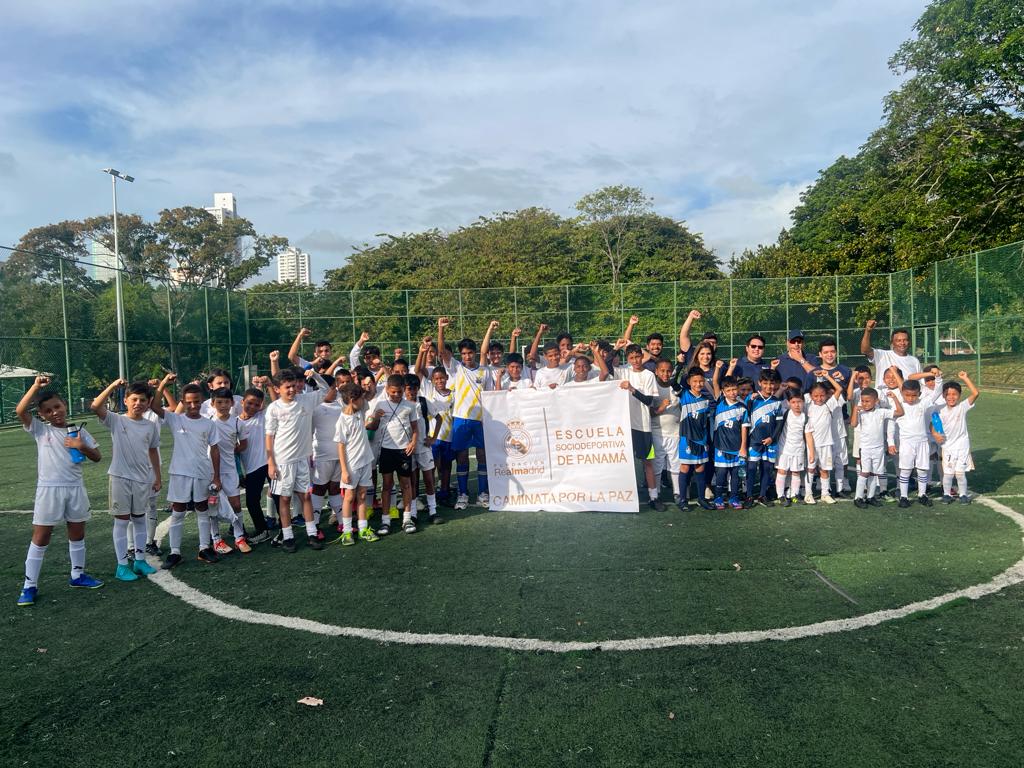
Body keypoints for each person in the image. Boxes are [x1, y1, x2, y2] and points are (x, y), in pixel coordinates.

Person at [16, 376, 104, 606]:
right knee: (41, 536)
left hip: (75, 488)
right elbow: (20, 410)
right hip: (49, 489)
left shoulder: (78, 431)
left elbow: (97, 457)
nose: (54, 412)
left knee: (77, 533)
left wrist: (81, 446)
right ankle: (29, 586)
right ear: (42, 415)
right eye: (47, 411)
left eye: (57, 407)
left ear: (64, 405)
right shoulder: (39, 430)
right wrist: (36, 386)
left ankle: (78, 575)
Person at [91, 378, 162, 582]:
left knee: (140, 519)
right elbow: (96, 406)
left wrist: (157, 476)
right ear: (126, 401)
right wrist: (113, 386)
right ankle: (122, 565)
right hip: (120, 477)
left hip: (142, 479)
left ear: (148, 403)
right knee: (122, 522)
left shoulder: (150, 426)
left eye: (142, 400)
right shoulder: (117, 420)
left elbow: (153, 452)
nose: (138, 403)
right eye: (134, 399)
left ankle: (140, 560)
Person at [151, 374, 222, 568]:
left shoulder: (209, 423)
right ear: (183, 402)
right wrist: (163, 383)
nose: (193, 406)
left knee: (202, 509)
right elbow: (155, 406)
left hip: (201, 472)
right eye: (189, 402)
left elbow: (215, 450)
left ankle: (204, 548)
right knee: (178, 511)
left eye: (196, 402)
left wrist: (216, 476)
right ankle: (175, 552)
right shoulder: (175, 419)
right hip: (180, 473)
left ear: (202, 402)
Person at [264, 368, 333, 552]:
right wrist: (271, 462)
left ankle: (311, 534)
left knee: (306, 496)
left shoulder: (306, 400)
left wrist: (316, 376)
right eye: (287, 387)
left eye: (294, 386)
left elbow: (326, 391)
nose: (292, 390)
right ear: (277, 389)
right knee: (285, 499)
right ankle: (287, 537)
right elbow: (269, 437)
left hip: (302, 459)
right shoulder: (274, 408)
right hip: (283, 462)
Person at [594, 341, 662, 510]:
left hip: (643, 426)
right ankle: (620, 496)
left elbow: (648, 401)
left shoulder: (648, 375)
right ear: (628, 358)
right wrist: (613, 348)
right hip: (623, 425)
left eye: (637, 357)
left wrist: (631, 389)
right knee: (621, 461)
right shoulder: (622, 371)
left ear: (641, 356)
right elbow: (606, 367)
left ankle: (654, 497)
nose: (635, 360)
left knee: (647, 462)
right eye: (631, 358)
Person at [438, 316, 490, 510]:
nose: (467, 356)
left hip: (480, 421)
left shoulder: (484, 372)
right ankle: (462, 494)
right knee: (461, 457)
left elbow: (490, 396)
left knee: (482, 456)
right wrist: (441, 329)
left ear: (475, 353)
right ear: (460, 355)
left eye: (470, 353)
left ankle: (483, 493)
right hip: (460, 420)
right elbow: (442, 352)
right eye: (464, 353)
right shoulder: (456, 369)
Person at [367, 373, 419, 534]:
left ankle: (407, 518)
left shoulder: (410, 406)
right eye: (393, 392)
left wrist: (413, 442)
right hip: (386, 450)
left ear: (404, 389)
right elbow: (373, 427)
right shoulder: (380, 403)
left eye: (399, 392)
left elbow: (415, 428)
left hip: (404, 450)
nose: (396, 395)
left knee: (406, 484)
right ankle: (385, 520)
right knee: (387, 485)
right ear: (387, 389)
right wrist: (375, 417)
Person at [206, 387, 252, 554]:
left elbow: (244, 444)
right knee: (213, 506)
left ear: (232, 403)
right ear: (212, 403)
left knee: (236, 504)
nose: (223, 405)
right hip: (211, 472)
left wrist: (232, 451)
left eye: (226, 402)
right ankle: (216, 540)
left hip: (230, 469)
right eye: (219, 402)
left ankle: (239, 537)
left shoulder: (237, 422)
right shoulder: (209, 422)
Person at [333, 382, 380, 545]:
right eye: (360, 398)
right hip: (351, 465)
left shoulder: (360, 411)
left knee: (361, 495)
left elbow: (369, 394)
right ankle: (347, 531)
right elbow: (340, 446)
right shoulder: (342, 420)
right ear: (353, 400)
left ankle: (363, 529)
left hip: (365, 461)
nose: (363, 401)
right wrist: (344, 470)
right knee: (349, 497)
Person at [932, 371, 980, 504]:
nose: (951, 397)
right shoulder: (939, 410)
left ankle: (963, 495)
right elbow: (932, 424)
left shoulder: (962, 407)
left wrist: (965, 378)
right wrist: (935, 434)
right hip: (947, 446)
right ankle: (947, 494)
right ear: (943, 396)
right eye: (948, 394)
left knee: (960, 473)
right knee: (948, 474)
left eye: (954, 394)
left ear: (959, 396)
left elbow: (975, 393)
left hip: (962, 446)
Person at [851, 388, 903, 508]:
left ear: (876, 401)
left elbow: (900, 413)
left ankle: (870, 497)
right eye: (862, 401)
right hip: (865, 448)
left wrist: (895, 398)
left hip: (878, 448)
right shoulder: (861, 413)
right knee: (865, 472)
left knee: (875, 473)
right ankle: (858, 498)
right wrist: (855, 409)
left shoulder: (881, 412)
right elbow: (853, 424)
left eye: (868, 401)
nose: (864, 404)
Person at [238, 381, 274, 544]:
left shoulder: (262, 417)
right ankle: (263, 530)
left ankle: (284, 529)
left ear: (261, 406)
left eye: (256, 404)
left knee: (280, 497)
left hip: (269, 464)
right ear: (242, 402)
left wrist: (268, 386)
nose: (252, 407)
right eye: (249, 403)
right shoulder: (235, 422)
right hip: (251, 468)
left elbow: (275, 403)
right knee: (252, 501)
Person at [891, 378, 934, 507]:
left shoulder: (922, 403)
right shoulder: (899, 406)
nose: (910, 398)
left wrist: (938, 378)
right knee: (905, 470)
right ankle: (904, 497)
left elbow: (936, 392)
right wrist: (890, 442)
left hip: (922, 441)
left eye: (914, 395)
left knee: (922, 470)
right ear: (902, 393)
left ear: (919, 394)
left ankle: (922, 494)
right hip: (906, 443)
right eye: (907, 395)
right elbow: (891, 426)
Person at [802, 376, 844, 505]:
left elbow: (839, 389)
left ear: (826, 395)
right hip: (812, 445)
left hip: (826, 444)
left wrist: (827, 376)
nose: (819, 398)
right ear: (810, 396)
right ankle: (808, 494)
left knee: (824, 470)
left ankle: (825, 494)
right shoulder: (807, 407)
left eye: (822, 395)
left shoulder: (829, 405)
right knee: (810, 469)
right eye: (815, 396)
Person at [744, 369, 784, 507]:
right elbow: (745, 417)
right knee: (751, 468)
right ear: (759, 383)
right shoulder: (752, 399)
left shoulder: (777, 402)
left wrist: (772, 438)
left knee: (767, 469)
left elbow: (780, 423)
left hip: (770, 442)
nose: (769, 386)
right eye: (765, 383)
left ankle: (762, 495)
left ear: (776, 384)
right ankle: (749, 496)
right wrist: (749, 400)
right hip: (754, 441)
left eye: (772, 383)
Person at [676, 367, 714, 510]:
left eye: (701, 381)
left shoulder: (705, 400)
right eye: (695, 381)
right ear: (689, 382)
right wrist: (679, 365)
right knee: (685, 467)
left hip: (701, 440)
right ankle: (683, 500)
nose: (698, 384)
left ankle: (701, 499)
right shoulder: (684, 395)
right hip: (687, 438)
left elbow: (705, 423)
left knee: (700, 468)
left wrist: (706, 441)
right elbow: (674, 382)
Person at [710, 376, 749, 509]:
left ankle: (734, 497)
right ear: (723, 392)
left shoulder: (742, 407)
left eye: (734, 389)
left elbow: (744, 429)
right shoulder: (719, 402)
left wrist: (743, 447)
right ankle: (718, 497)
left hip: (736, 447)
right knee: (720, 474)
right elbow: (715, 382)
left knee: (735, 475)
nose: (732, 393)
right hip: (721, 447)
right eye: (729, 390)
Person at [650, 359, 682, 502]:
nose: (665, 373)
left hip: (675, 432)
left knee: (676, 463)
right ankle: (656, 492)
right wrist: (661, 408)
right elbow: (648, 412)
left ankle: (677, 492)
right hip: (657, 432)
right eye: (662, 370)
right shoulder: (652, 387)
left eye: (668, 370)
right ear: (656, 371)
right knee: (657, 464)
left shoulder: (676, 387)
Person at [860, 320, 921, 389]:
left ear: (909, 342)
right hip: (884, 398)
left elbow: (920, 383)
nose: (902, 343)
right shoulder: (882, 355)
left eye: (905, 340)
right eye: (898, 340)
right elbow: (865, 350)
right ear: (892, 343)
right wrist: (868, 331)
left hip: (905, 399)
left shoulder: (914, 361)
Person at [775, 389, 810, 507]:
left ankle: (795, 495)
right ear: (789, 403)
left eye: (799, 402)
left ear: (803, 402)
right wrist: (782, 389)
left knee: (796, 473)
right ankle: (780, 496)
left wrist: (811, 452)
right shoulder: (785, 413)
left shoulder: (805, 417)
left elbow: (808, 435)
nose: (797, 405)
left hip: (799, 450)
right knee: (782, 471)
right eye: (793, 402)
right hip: (784, 449)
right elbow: (775, 401)